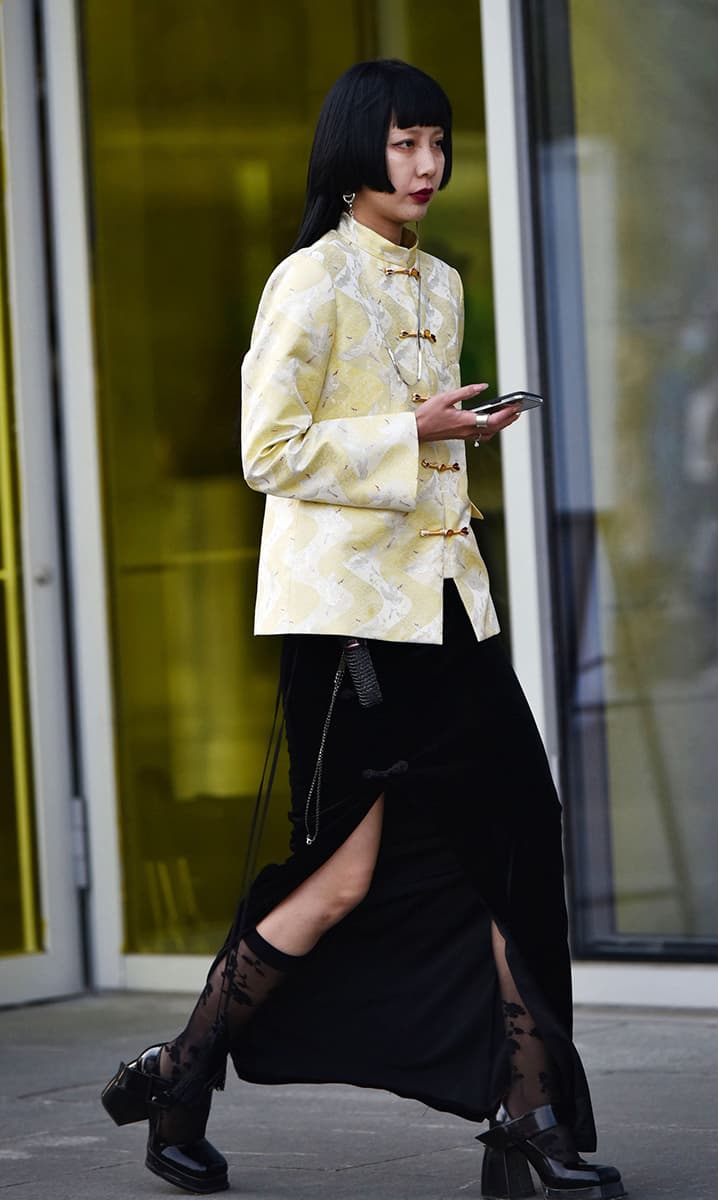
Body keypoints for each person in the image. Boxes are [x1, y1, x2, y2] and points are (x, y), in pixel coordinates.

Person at [101, 59, 625, 1200]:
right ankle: (181, 1075)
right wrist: (412, 430)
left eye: (436, 143)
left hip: (451, 619)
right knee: (340, 883)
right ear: (355, 154)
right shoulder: (310, 280)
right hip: (352, 637)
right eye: (403, 145)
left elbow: (415, 444)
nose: (426, 165)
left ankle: (529, 1123)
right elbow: (268, 452)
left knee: (516, 851)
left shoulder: (439, 282)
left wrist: (452, 434)